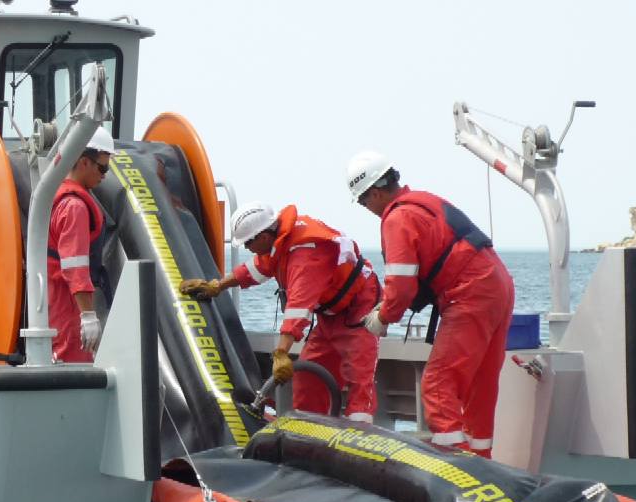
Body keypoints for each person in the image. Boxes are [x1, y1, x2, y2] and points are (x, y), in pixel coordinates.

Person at [346, 150, 515, 456]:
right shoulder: (425, 201)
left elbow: (401, 286)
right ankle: (481, 460)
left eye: (362, 201)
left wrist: (382, 318)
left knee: (438, 383)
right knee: (481, 382)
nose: (365, 208)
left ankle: (456, 466)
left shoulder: (397, 218)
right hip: (497, 283)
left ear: (375, 192)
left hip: (469, 291)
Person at [179, 203, 380, 422]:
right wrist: (217, 285)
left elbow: (299, 309)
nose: (247, 248)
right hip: (330, 315)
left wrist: (281, 353)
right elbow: (254, 269)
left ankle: (361, 436)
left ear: (263, 236)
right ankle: (310, 433)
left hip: (360, 308)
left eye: (248, 242)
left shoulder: (307, 254)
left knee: (359, 378)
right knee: (309, 379)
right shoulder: (281, 244)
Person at [46, 127, 113, 363]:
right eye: (102, 167)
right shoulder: (75, 207)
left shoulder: (56, 196)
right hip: (70, 306)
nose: (105, 174)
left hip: (57, 301)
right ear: (84, 161)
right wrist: (87, 315)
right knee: (73, 366)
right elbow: (76, 267)